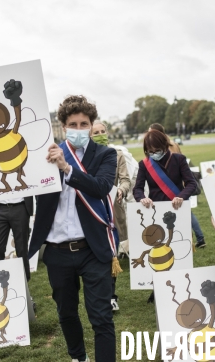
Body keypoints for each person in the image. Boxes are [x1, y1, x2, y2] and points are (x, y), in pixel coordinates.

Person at [31, 95, 118, 362]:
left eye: (83, 124)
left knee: (101, 316)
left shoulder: (105, 154)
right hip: (57, 250)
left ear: (92, 125)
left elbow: (101, 187)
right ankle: (78, 357)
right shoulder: (43, 155)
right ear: (62, 126)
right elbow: (9, 176)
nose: (78, 129)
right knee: (66, 313)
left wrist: (67, 168)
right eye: (72, 124)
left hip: (92, 248)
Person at [132, 129, 197, 303]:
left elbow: (191, 183)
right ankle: (158, 287)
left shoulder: (179, 160)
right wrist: (142, 198)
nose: (154, 154)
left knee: (179, 249)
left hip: (177, 211)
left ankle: (183, 286)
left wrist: (181, 196)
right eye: (150, 151)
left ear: (165, 146)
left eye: (157, 150)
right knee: (159, 249)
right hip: (155, 213)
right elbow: (137, 188)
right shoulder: (144, 164)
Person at [91, 121, 130, 312]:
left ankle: (111, 297)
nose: (99, 135)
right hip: (91, 212)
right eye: (95, 132)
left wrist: (121, 191)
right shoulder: (85, 157)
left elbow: (125, 179)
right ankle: (100, 295)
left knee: (111, 255)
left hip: (113, 210)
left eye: (102, 131)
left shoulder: (117, 155)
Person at [147, 123, 206, 248]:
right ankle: (197, 238)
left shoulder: (162, 147)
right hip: (180, 184)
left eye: (150, 132)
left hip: (167, 186)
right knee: (185, 212)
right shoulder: (174, 144)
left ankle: (185, 240)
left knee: (176, 214)